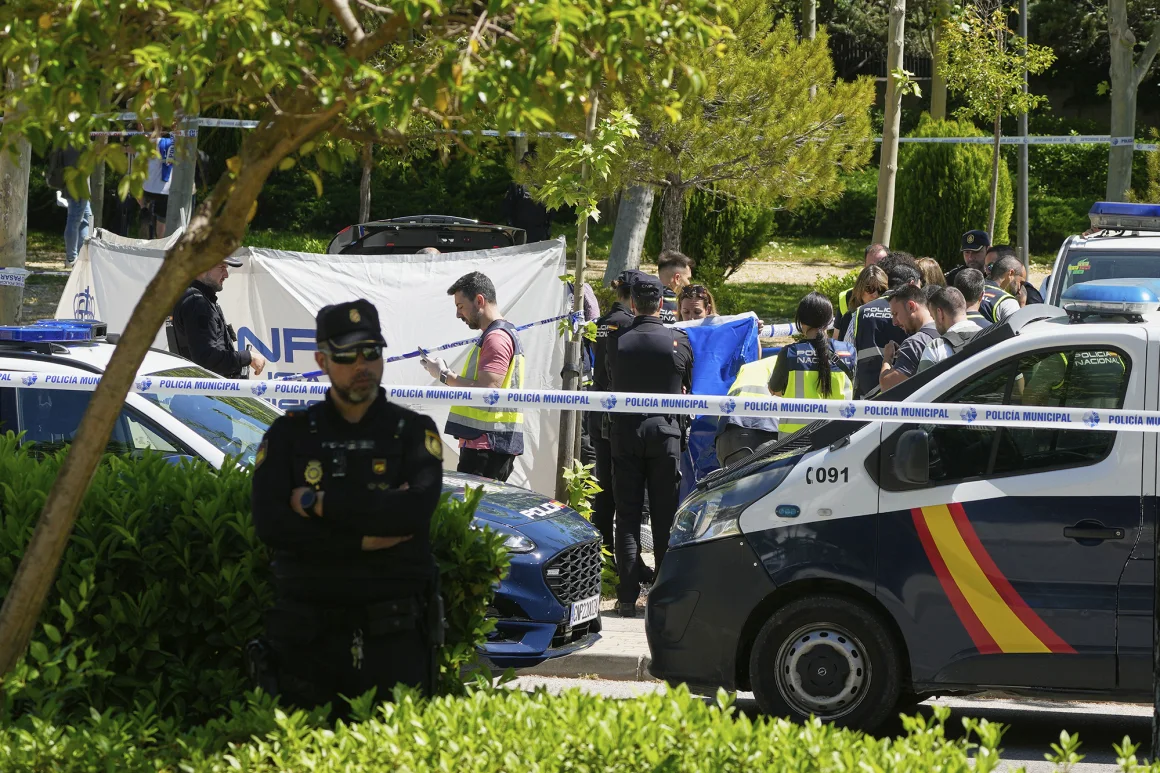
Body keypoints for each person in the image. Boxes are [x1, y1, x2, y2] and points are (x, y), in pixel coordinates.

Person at [250, 299, 444, 716]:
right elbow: (271, 524)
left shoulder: (413, 433)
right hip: (307, 640)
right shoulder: (290, 435)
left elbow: (413, 513)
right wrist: (361, 539)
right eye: (346, 354)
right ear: (322, 360)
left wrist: (318, 502)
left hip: (396, 639)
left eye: (372, 352)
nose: (363, 364)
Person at [606, 273, 693, 617]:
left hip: (626, 431)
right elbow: (688, 384)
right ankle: (663, 594)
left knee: (627, 515)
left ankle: (627, 596)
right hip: (665, 431)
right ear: (661, 304)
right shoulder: (678, 339)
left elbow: (612, 377)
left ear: (632, 303)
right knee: (664, 515)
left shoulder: (617, 339)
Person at [422, 272, 525, 482]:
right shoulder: (498, 334)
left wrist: (443, 375)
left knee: (475, 513)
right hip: (487, 443)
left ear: (479, 300)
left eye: (460, 306)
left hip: (486, 446)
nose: (458, 315)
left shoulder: (496, 338)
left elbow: (487, 391)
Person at [588, 271, 640, 555]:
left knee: (604, 489)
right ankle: (619, 555)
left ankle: (604, 552)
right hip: (618, 417)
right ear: (635, 297)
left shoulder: (603, 322)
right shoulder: (629, 325)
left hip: (599, 414)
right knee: (621, 491)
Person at [767, 292, 855, 436]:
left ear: (801, 322)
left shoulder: (790, 353)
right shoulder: (848, 351)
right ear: (829, 321)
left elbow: (774, 390)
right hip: (837, 439)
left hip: (793, 442)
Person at [171, 258, 267, 378]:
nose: (226, 275)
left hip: (207, 390)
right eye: (222, 268)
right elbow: (207, 358)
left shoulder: (196, 298)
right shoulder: (197, 302)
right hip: (207, 392)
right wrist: (248, 357)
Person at [851, 254, 920, 398]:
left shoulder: (860, 312)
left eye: (879, 289)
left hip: (867, 396)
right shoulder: (911, 310)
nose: (875, 294)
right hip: (903, 394)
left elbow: (847, 354)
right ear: (912, 283)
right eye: (870, 289)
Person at [715, 357, 780, 467]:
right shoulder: (788, 361)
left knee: (733, 484)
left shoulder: (748, 368)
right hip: (761, 430)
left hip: (724, 435)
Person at [879, 283, 939, 392]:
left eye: (895, 313)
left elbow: (887, 386)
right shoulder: (946, 332)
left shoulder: (915, 343)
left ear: (911, 306)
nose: (894, 322)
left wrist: (887, 358)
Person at [918, 287, 983, 372]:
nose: (934, 323)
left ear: (939, 314)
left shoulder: (935, 347)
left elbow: (924, 384)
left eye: (933, 317)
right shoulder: (990, 334)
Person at [837, 243, 888, 321]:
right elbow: (838, 333)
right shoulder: (846, 297)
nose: (875, 294)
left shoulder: (898, 298)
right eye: (869, 288)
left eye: (882, 266)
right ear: (865, 267)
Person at [836, 264, 887, 342]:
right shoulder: (848, 318)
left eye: (881, 290)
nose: (875, 295)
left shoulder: (893, 318)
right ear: (860, 289)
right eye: (870, 288)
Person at [141, 135, 175, 238]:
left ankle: (143, 208)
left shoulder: (148, 144)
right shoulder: (177, 143)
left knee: (134, 187)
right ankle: (160, 243)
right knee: (161, 221)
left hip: (148, 189)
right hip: (165, 190)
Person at [979, 254, 1023, 325]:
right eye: (1021, 282)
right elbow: (1016, 332)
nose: (1019, 289)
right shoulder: (1007, 302)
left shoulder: (972, 290)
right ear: (1011, 273)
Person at [657, 250, 694, 324]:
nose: (689, 283)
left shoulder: (642, 301)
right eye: (688, 278)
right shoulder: (686, 306)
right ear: (677, 278)